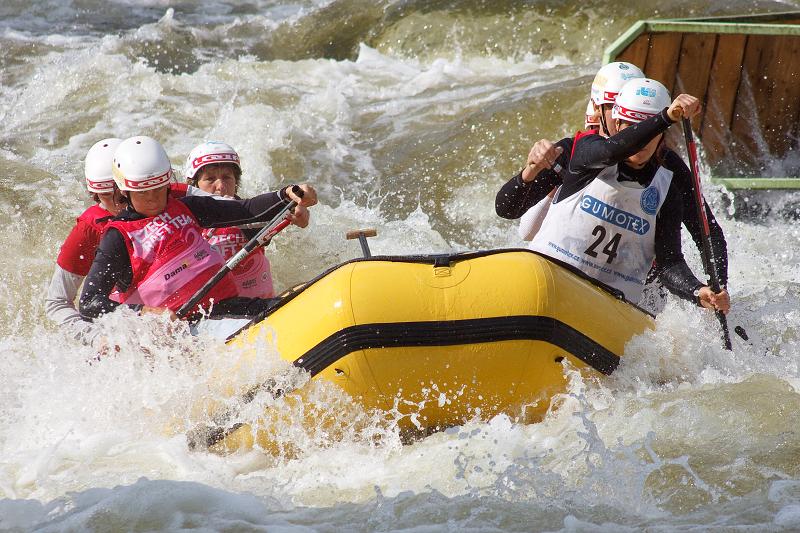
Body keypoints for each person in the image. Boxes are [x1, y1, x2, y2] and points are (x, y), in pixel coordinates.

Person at [523, 79, 728, 313]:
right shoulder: (585, 150)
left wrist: (704, 290)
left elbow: (676, 257)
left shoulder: (669, 182)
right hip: (554, 280)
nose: (639, 142)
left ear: (661, 136)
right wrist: (532, 173)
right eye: (630, 126)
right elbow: (610, 150)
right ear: (613, 122)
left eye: (647, 129)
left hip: (613, 302)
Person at [78, 136, 317, 321]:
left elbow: (246, 210)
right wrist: (145, 313)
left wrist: (287, 194)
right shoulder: (117, 237)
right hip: (183, 329)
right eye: (143, 192)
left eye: (158, 189)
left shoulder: (188, 207)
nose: (152, 198)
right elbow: (89, 302)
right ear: (125, 190)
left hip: (223, 307)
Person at [184, 141, 310, 299]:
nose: (221, 186)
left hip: (262, 307)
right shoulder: (184, 221)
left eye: (227, 178)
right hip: (215, 312)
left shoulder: (249, 213)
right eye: (210, 179)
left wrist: (299, 212)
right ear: (194, 185)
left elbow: (285, 210)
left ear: (236, 182)